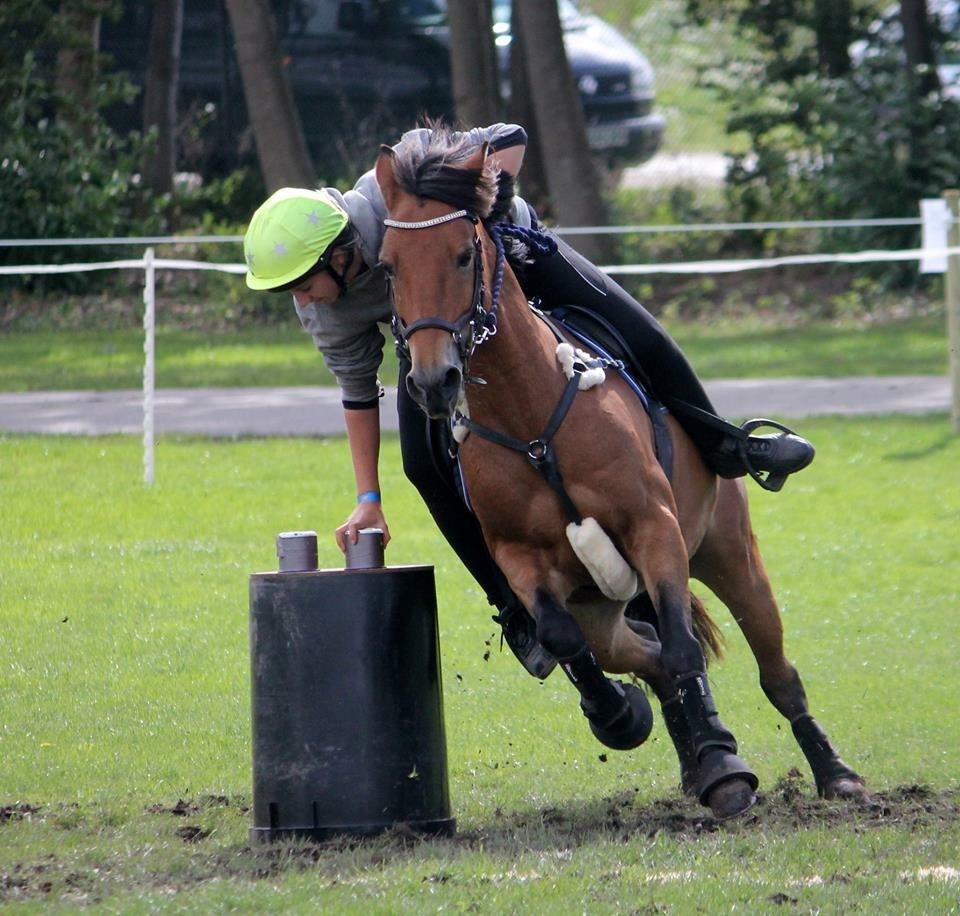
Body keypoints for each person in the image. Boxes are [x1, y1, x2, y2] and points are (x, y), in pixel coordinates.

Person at [242, 122, 815, 681]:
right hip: (431, 332)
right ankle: (515, 606)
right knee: (421, 464)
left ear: (342, 252)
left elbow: (510, 136)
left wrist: (492, 193)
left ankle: (729, 442)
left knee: (636, 329)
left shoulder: (399, 180)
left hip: (516, 261)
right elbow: (357, 392)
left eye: (303, 282)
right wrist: (368, 496)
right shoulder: (325, 308)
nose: (302, 299)